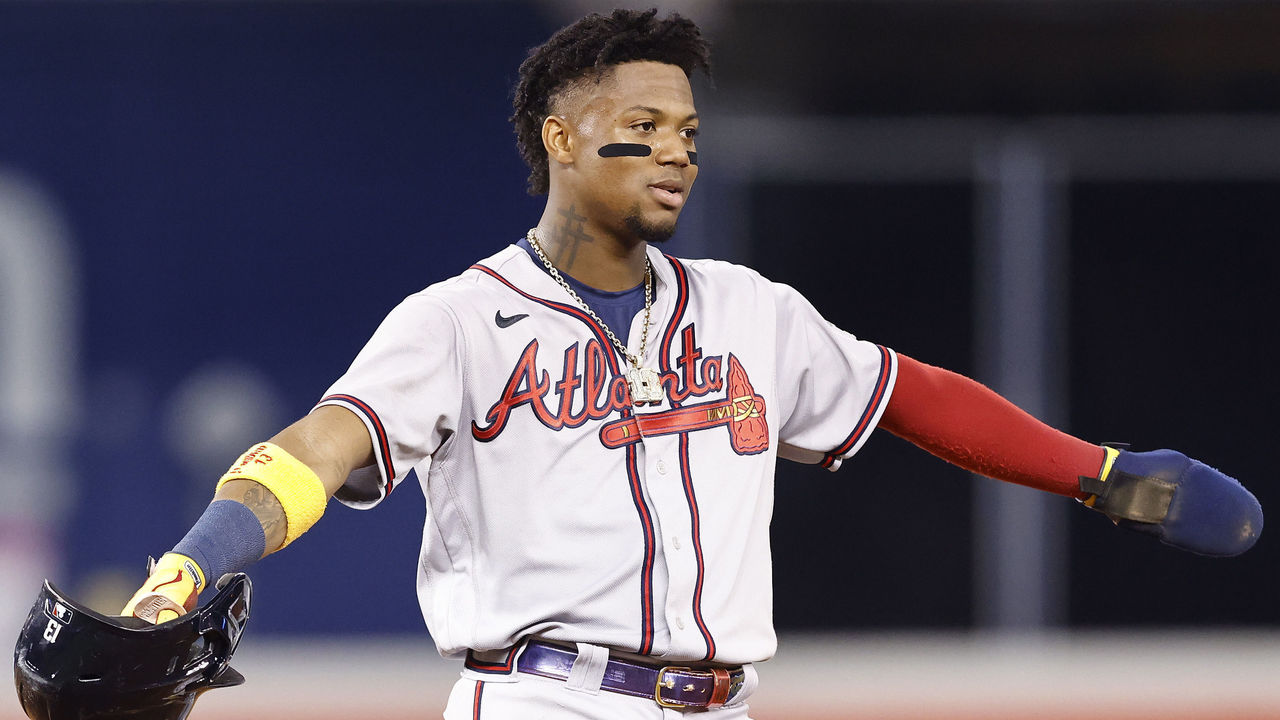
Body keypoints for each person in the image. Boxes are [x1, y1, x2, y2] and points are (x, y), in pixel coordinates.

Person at [120, 9, 1261, 719]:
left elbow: (905, 394)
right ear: (560, 139)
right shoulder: (459, 319)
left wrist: (1100, 470)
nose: (674, 149)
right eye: (643, 123)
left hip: (719, 704)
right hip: (542, 700)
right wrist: (194, 561)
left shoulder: (745, 310)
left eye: (688, 134)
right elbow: (318, 449)